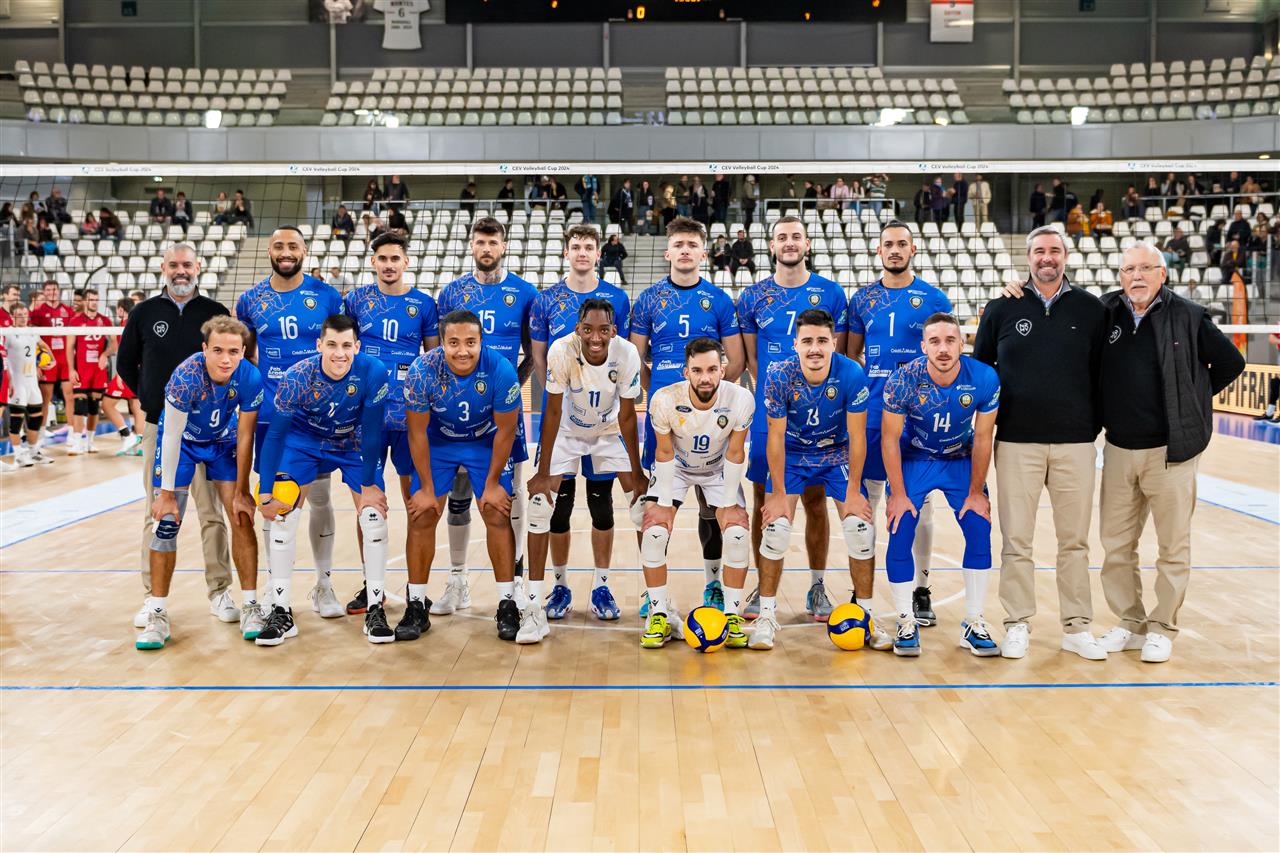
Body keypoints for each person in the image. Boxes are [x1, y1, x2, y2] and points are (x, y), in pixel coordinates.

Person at [1093, 243, 1244, 663]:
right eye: (1129, 269)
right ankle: (1130, 623)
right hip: (1118, 448)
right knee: (1116, 546)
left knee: (1172, 547)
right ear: (1120, 276)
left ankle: (1162, 627)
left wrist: (1190, 400)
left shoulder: (1190, 316)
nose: (1136, 276)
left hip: (1170, 452)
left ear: (1162, 274)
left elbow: (1231, 363)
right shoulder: (1105, 312)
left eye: (1145, 268)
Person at [973, 226, 1108, 661]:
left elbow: (1105, 375)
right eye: (1039, 251)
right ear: (1027, 257)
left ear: (1065, 256)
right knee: (1016, 541)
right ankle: (1017, 623)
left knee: (1075, 542)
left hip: (1076, 445)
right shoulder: (1001, 308)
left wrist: (1091, 427)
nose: (1046, 258)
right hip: (1016, 443)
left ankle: (1077, 627)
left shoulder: (1092, 309)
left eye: (1054, 250)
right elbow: (981, 374)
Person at [629, 216, 745, 614]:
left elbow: (736, 360)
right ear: (667, 252)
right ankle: (653, 596)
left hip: (712, 422)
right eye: (678, 244)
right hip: (665, 422)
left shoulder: (719, 300)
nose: (685, 250)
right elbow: (634, 359)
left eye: (692, 244)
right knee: (655, 508)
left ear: (703, 253)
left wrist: (710, 401)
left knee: (712, 507)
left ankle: (713, 584)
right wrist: (662, 397)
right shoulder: (648, 299)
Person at [117, 243, 235, 628]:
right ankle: (152, 597)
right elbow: (126, 364)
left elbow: (230, 363)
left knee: (212, 514)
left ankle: (220, 591)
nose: (180, 271)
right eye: (174, 265)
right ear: (163, 268)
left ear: (198, 267)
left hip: (209, 431)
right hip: (160, 427)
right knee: (157, 512)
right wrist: (151, 400)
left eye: (186, 265)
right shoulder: (144, 312)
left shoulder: (214, 312)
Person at [254, 314, 391, 646]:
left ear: (357, 346)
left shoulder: (374, 371)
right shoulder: (296, 376)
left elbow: (374, 431)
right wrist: (267, 492)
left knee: (374, 519)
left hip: (352, 441)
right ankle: (281, 611)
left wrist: (369, 485)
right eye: (332, 345)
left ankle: (375, 609)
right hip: (304, 441)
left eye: (346, 345)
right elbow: (275, 436)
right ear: (319, 345)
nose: (339, 353)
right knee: (283, 516)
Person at [736, 216, 848, 619]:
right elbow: (751, 360)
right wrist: (776, 394)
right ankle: (762, 586)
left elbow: (841, 354)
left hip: (821, 412)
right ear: (771, 246)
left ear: (807, 243)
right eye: (781, 237)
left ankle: (817, 587)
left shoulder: (831, 293)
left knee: (815, 500)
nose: (789, 243)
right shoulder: (753, 296)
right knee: (764, 500)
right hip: (772, 412)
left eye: (796, 236)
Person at [235, 226, 346, 617]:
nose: (286, 252)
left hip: (317, 416)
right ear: (269, 250)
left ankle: (324, 585)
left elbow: (339, 351)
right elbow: (245, 355)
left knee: (320, 498)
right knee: (274, 499)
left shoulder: (327, 296)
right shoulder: (250, 300)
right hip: (273, 417)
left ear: (305, 250)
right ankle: (274, 586)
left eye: (293, 246)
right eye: (279, 246)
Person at [136, 317, 265, 650]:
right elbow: (171, 435)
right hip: (183, 443)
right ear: (204, 349)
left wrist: (242, 491)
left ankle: (251, 606)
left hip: (222, 442)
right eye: (218, 350)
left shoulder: (250, 376)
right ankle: (157, 613)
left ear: (243, 352)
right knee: (165, 522)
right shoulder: (185, 376)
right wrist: (166, 494)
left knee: (240, 515)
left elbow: (246, 435)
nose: (226, 359)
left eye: (233, 352)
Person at [753, 309, 878, 650]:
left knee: (860, 530)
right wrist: (779, 493)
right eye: (807, 341)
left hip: (836, 454)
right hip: (793, 454)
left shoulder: (851, 373)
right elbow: (775, 437)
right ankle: (766, 616)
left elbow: (857, 436)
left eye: (822, 341)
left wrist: (854, 490)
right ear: (795, 344)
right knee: (776, 530)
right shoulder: (779, 374)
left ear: (834, 343)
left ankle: (866, 617)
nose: (815, 348)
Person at [846, 220, 951, 626]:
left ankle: (921, 590)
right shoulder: (863, 299)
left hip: (919, 415)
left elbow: (945, 353)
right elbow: (851, 355)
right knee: (868, 502)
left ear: (913, 249)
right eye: (888, 244)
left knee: (919, 504)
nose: (894, 250)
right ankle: (863, 589)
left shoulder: (933, 298)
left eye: (901, 244)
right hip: (874, 413)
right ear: (878, 250)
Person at [434, 217, 537, 617]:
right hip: (456, 412)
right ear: (472, 246)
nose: (486, 249)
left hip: (503, 412)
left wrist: (508, 387)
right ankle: (458, 580)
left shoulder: (524, 293)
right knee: (458, 494)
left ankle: (516, 581)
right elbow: (439, 351)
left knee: (511, 494)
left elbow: (533, 352)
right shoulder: (453, 293)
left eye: (493, 242)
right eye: (480, 242)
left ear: (504, 246)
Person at [881, 313, 1001, 657]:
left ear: (962, 344)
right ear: (923, 347)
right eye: (934, 341)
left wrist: (976, 492)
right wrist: (898, 494)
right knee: (901, 525)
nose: (943, 349)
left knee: (979, 526)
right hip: (915, 457)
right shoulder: (903, 379)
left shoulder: (983, 377)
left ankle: (973, 622)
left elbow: (983, 437)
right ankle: (906, 620)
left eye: (950, 341)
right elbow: (889, 439)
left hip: (959, 458)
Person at [525, 299, 646, 639]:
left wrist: (637, 473)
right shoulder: (561, 350)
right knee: (541, 507)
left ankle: (649, 599)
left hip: (608, 431)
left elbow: (627, 416)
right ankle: (540, 602)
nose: (595, 337)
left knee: (641, 508)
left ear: (614, 331)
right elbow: (551, 411)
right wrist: (544, 471)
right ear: (578, 329)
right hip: (567, 430)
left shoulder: (627, 354)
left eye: (603, 330)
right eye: (588, 329)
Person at [528, 225, 631, 620]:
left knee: (602, 505)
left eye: (589, 246)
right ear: (566, 253)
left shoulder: (617, 298)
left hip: (603, 422)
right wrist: (563, 394)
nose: (583, 252)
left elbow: (620, 353)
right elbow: (539, 357)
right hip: (564, 419)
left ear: (598, 253)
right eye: (576, 246)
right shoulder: (546, 299)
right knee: (560, 507)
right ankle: (560, 586)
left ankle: (602, 587)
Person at [339, 232, 440, 626]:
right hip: (365, 418)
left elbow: (433, 360)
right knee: (368, 506)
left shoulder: (423, 305)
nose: (388, 265)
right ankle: (373, 586)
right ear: (373, 262)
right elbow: (343, 351)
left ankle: (418, 592)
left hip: (409, 418)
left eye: (395, 258)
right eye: (382, 258)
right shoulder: (356, 301)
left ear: (406, 262)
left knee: (417, 505)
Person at [404, 310, 523, 641]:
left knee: (496, 510)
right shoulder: (421, 371)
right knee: (423, 513)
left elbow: (506, 430)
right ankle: (416, 605)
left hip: (485, 441)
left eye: (470, 342)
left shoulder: (500, 369)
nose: (462, 351)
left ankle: (507, 603)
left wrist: (492, 484)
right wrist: (426, 488)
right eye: (453, 343)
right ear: (441, 343)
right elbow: (416, 433)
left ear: (481, 342)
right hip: (439, 442)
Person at [639, 337, 754, 648]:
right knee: (654, 533)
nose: (706, 377)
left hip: (718, 468)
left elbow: (735, 452)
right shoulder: (665, 399)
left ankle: (731, 616)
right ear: (686, 372)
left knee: (737, 534)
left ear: (723, 370)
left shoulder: (740, 399)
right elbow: (664, 452)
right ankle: (658, 614)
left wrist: (728, 504)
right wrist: (664, 503)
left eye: (712, 369)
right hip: (677, 467)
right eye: (698, 370)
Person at [2, 304, 54, 466]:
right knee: (16, 421)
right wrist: (9, 380)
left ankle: (33, 452)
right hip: (17, 382)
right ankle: (18, 454)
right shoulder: (8, 333)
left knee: (36, 418)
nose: (23, 317)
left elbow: (43, 345)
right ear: (12, 316)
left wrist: (52, 360)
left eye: (25, 314)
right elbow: (3, 357)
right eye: (19, 314)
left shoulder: (33, 331)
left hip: (32, 382)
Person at [65, 289, 114, 455]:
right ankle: (77, 442)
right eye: (91, 299)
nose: (94, 302)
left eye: (96, 299)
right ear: (85, 301)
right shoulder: (75, 321)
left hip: (98, 371)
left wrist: (105, 354)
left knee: (94, 408)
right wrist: (71, 369)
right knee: (79, 405)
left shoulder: (105, 321)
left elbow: (115, 343)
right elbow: (69, 347)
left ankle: (90, 442)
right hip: (81, 370)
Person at [30, 280, 75, 442]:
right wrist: (36, 363)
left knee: (69, 396)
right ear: (44, 292)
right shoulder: (38, 312)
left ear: (59, 291)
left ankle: (72, 433)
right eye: (48, 290)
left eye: (54, 289)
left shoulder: (68, 311)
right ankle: (41, 433)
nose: (52, 292)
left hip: (65, 359)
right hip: (47, 360)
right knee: (45, 398)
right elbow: (32, 339)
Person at [103, 297, 145, 456]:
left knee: (107, 404)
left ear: (120, 310)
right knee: (136, 405)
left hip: (128, 370)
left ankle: (127, 436)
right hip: (139, 369)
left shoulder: (125, 325)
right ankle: (140, 444)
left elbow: (126, 351)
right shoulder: (137, 322)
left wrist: (121, 374)